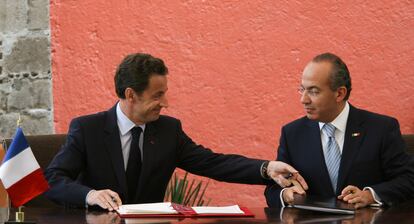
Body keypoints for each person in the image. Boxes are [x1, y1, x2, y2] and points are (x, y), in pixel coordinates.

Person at [45, 53, 307, 211]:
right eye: (157, 95)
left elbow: (213, 163)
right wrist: (91, 194)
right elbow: (53, 179)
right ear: (130, 95)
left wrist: (266, 168)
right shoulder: (87, 128)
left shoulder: (169, 130)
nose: (166, 103)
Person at [265, 52, 414, 209]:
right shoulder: (292, 134)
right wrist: (285, 195)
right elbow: (274, 188)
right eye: (302, 90)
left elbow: (409, 179)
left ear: (339, 93)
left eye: (314, 91)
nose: (304, 99)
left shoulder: (381, 128)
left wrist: (370, 195)